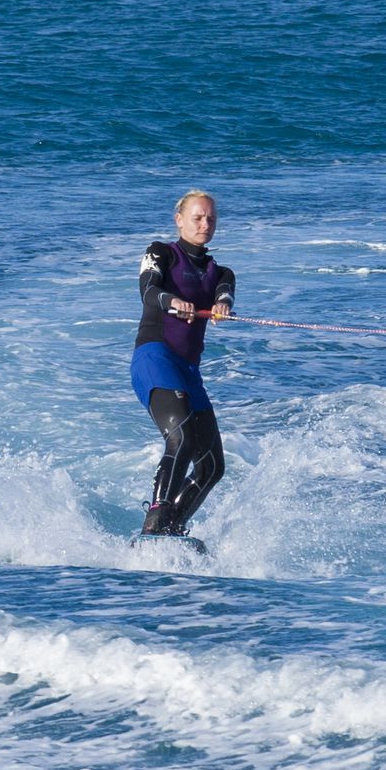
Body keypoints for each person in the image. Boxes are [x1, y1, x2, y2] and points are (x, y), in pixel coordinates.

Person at [133, 190, 235, 539]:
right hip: (155, 358)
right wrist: (171, 300)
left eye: (211, 219)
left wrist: (222, 306)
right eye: (197, 217)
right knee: (182, 438)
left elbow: (225, 293)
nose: (205, 224)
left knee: (212, 467)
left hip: (189, 372)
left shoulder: (221, 272)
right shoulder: (160, 252)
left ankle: (172, 528)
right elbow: (148, 290)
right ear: (179, 220)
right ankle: (155, 522)